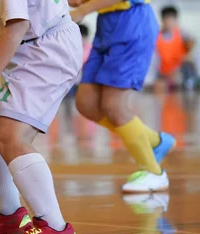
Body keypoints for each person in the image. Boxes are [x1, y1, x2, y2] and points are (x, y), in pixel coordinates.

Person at [0, 0, 82, 234]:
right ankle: (9, 212)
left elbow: (18, 24)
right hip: (30, 46)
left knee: (11, 136)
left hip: (45, 49)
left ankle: (55, 228)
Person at [70, 0, 175, 193]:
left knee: (114, 106)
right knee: (85, 103)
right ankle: (155, 141)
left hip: (132, 24)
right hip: (107, 26)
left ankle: (155, 173)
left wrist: (83, 10)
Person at [155, 6, 197, 92]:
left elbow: (190, 55)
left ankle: (188, 84)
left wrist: (177, 69)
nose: (168, 22)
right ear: (162, 20)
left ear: (176, 20)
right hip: (163, 73)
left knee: (188, 65)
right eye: (166, 19)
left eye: (171, 19)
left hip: (178, 72)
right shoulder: (156, 36)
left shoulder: (183, 35)